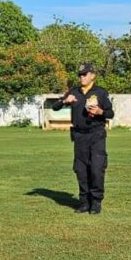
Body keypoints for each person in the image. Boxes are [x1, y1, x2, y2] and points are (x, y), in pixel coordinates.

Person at [52, 61, 113, 214]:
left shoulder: (100, 92)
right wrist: (65, 101)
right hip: (79, 136)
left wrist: (100, 112)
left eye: (84, 74)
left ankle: (96, 202)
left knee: (97, 168)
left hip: (96, 134)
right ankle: (84, 201)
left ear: (93, 76)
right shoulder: (74, 92)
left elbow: (110, 113)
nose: (81, 77)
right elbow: (55, 107)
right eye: (79, 75)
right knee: (81, 170)